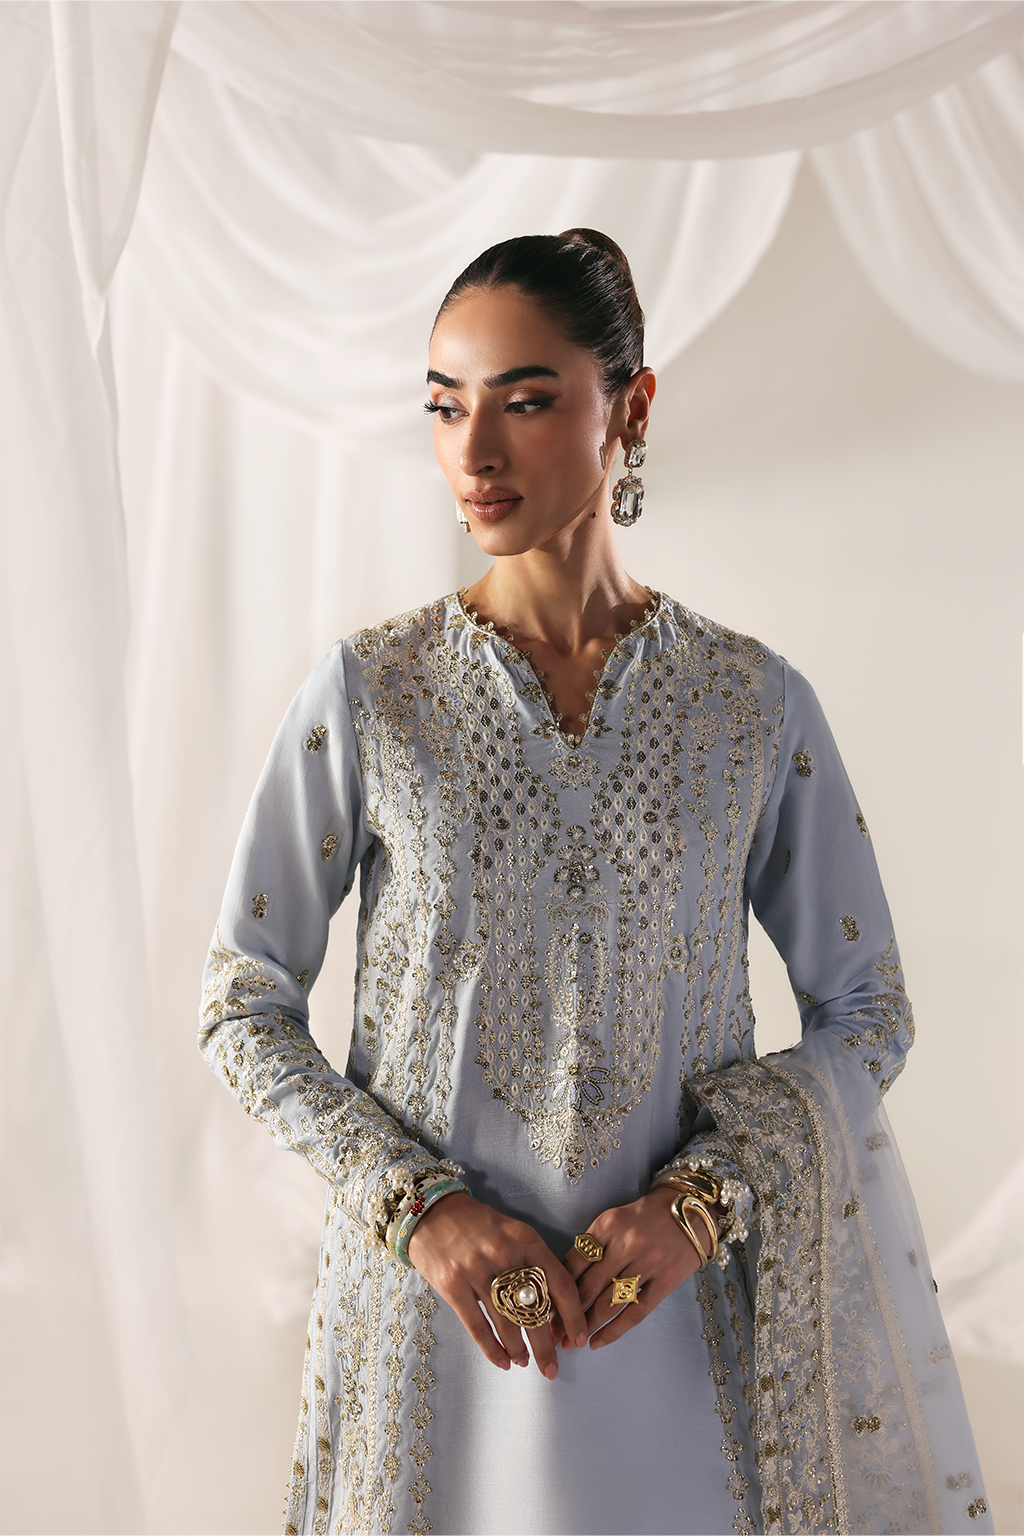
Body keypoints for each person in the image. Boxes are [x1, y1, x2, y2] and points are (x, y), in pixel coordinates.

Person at [200, 230, 989, 1536]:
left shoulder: (747, 705)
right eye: (445, 406)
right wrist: (420, 1211)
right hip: (433, 1333)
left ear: (632, 407)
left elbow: (868, 1009)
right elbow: (243, 1000)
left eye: (523, 400)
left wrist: (706, 1202)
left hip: (677, 1332)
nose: (474, 451)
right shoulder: (373, 694)